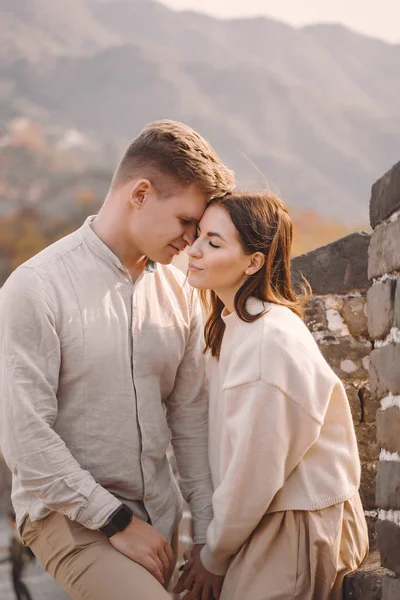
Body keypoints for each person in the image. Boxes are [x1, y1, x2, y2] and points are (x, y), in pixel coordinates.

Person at [0, 120, 235, 600]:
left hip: (162, 524)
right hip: (70, 518)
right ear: (141, 193)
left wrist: (209, 541)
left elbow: (190, 418)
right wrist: (115, 519)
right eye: (186, 222)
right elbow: (25, 440)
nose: (192, 241)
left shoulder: (181, 292)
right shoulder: (36, 287)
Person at [176, 192, 369, 600]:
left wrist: (214, 554)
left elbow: (253, 471)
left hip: (297, 523)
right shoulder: (233, 329)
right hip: (264, 519)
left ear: (253, 262)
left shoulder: (268, 341)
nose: (193, 250)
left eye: (213, 243)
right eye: (197, 236)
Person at [6, 512, 34, 600]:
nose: (8, 522)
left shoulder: (18, 530)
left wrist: (28, 555)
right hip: (16, 558)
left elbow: (26, 544)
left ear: (12, 519)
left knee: (17, 580)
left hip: (19, 559)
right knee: (16, 580)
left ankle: (25, 598)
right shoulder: (15, 529)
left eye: (9, 520)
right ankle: (22, 598)